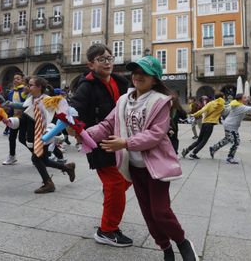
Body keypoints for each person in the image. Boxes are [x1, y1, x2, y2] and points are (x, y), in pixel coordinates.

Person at [84, 55, 199, 261]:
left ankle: (182, 242)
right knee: (148, 213)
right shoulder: (123, 101)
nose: (138, 76)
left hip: (155, 166)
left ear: (155, 78)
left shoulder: (160, 101)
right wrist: (85, 134)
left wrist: (125, 143)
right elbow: (107, 125)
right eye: (136, 71)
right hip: (134, 167)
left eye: (144, 73)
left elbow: (156, 134)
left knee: (161, 212)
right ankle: (166, 249)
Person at [69, 43, 133, 247]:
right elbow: (73, 112)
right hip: (99, 142)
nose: (107, 62)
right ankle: (107, 230)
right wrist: (76, 131)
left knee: (128, 178)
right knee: (115, 185)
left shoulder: (120, 80)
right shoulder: (86, 86)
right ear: (91, 64)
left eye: (110, 58)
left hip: (122, 141)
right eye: (102, 59)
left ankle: (110, 201)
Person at [6, 76, 76, 193]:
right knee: (44, 160)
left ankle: (48, 183)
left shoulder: (48, 101)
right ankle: (67, 167)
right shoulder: (31, 101)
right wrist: (11, 121)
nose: (28, 87)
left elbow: (55, 119)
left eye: (31, 85)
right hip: (33, 136)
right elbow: (25, 120)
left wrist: (49, 133)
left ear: (39, 87)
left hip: (43, 136)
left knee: (36, 159)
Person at [209, 94, 251, 164]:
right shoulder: (239, 106)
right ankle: (230, 157)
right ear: (240, 99)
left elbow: (245, 111)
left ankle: (213, 148)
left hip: (229, 124)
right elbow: (250, 108)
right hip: (231, 126)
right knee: (236, 142)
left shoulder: (236, 104)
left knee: (227, 139)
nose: (247, 99)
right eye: (244, 98)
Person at [181, 92, 225, 160]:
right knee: (204, 141)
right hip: (210, 125)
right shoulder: (222, 106)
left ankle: (187, 150)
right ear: (222, 97)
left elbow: (202, 110)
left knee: (199, 140)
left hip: (204, 123)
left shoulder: (210, 103)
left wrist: (194, 115)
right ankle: (193, 154)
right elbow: (224, 112)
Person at [2, 73, 28, 165]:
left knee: (23, 138)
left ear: (22, 81)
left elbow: (26, 104)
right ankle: (12, 156)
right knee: (12, 137)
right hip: (14, 118)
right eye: (14, 79)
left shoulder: (25, 91)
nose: (15, 80)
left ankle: (38, 154)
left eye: (18, 79)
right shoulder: (11, 92)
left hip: (24, 118)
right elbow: (9, 105)